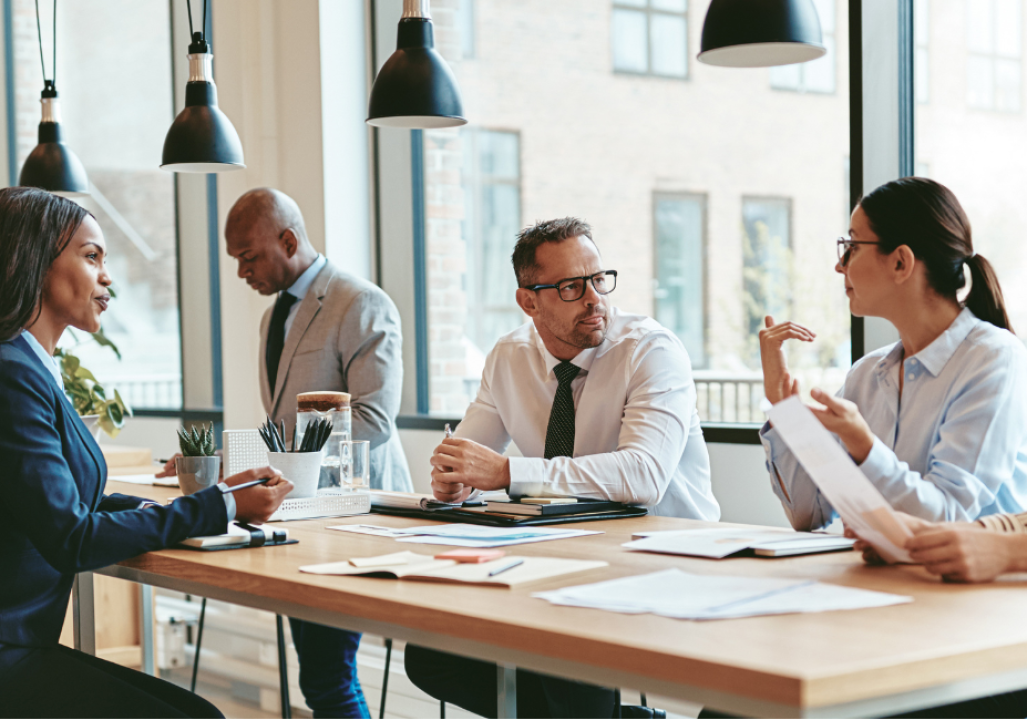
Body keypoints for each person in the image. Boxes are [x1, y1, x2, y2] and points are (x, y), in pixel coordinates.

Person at [405, 216, 719, 718]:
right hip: (560, 553)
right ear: (529, 301)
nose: (595, 298)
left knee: (562, 655)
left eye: (599, 279)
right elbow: (465, 457)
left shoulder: (651, 352)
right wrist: (454, 482)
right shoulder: (509, 357)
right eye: (572, 287)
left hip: (665, 555)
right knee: (432, 656)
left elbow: (643, 476)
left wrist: (507, 473)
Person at [0, 187, 292, 718]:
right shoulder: (11, 373)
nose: (107, 276)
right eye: (92, 256)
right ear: (33, 261)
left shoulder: (28, 365)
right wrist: (220, 503)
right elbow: (72, 537)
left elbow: (51, 504)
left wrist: (152, 511)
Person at [182, 187, 409, 719]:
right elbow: (282, 428)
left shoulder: (361, 302)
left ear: (288, 239)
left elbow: (373, 421)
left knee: (327, 677)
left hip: (353, 515)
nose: (242, 272)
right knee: (320, 675)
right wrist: (217, 460)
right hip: (299, 518)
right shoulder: (271, 320)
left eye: (248, 256)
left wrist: (292, 464)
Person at [759, 177, 1027, 531]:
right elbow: (810, 516)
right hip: (893, 578)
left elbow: (948, 519)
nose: (840, 265)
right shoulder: (867, 373)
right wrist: (785, 411)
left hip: (976, 584)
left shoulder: (994, 360)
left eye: (852, 246)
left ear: (901, 262)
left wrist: (864, 446)